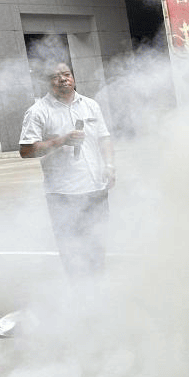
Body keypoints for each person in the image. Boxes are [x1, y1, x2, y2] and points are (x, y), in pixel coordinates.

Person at [19, 62, 116, 277]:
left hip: (96, 189)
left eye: (66, 74)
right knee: (73, 250)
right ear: (47, 82)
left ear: (73, 77)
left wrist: (109, 166)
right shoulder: (37, 112)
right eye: (56, 76)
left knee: (98, 246)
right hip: (64, 194)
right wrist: (61, 141)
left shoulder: (90, 105)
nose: (63, 79)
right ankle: (78, 298)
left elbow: (104, 137)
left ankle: (98, 292)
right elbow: (26, 150)